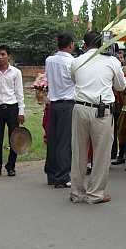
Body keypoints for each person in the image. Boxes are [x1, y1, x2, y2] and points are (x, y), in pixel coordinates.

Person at [70, 31, 126, 204]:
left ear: (84, 44)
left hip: (80, 107)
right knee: (101, 152)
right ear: (102, 43)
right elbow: (120, 85)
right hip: (102, 111)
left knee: (78, 152)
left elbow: (74, 80)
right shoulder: (112, 61)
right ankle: (95, 193)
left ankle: (77, 192)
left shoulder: (76, 61)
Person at [0, 45, 25, 178]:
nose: (0, 57)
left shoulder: (16, 72)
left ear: (9, 56)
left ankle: (11, 166)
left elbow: (20, 93)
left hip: (12, 108)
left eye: (3, 54)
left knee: (14, 139)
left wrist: (21, 111)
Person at [44, 33, 76, 188]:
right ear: (70, 45)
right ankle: (62, 176)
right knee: (64, 141)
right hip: (67, 104)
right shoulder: (73, 62)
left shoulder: (49, 60)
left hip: (53, 104)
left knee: (53, 140)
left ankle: (51, 173)